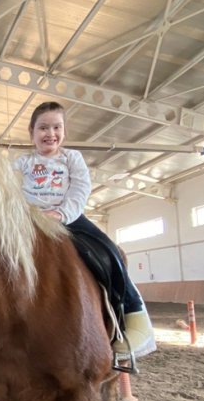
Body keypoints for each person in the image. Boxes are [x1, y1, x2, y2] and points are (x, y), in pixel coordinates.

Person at [13, 101, 156, 363]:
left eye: (57, 127)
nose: (50, 133)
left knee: (108, 251)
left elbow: (80, 188)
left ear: (64, 131)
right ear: (31, 132)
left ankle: (135, 314)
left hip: (69, 217)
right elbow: (9, 191)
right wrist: (26, 215)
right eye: (43, 128)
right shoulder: (22, 163)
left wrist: (61, 214)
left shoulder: (72, 158)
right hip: (30, 221)